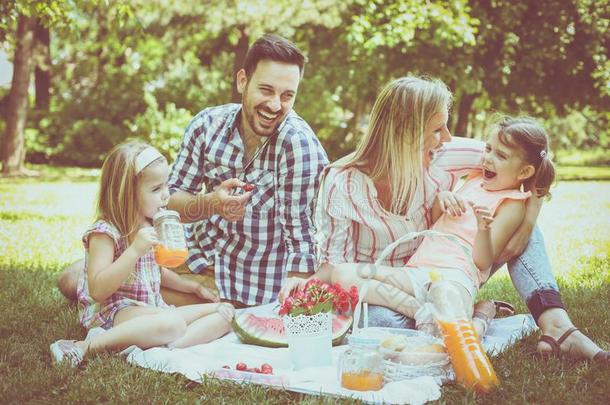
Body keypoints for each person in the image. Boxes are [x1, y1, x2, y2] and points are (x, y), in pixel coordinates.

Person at [283, 76, 608, 363]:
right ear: (405, 133)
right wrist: (310, 283)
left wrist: (526, 221)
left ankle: (556, 324)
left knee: (518, 218)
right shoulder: (343, 182)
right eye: (437, 129)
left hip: (457, 266)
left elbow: (530, 160)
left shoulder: (446, 153)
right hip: (390, 283)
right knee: (379, 321)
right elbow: (336, 265)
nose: (448, 137)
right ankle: (474, 314)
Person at [57, 34, 329, 308]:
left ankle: (182, 302)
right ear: (242, 81)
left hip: (253, 283)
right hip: (195, 256)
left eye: (287, 96)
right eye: (266, 90)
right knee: (70, 279)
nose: (275, 105)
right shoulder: (207, 125)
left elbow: (302, 242)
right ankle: (156, 296)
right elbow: (169, 203)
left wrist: (292, 299)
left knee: (132, 296)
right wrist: (212, 204)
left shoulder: (299, 145)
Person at [50, 142, 235, 367]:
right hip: (117, 312)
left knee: (225, 312)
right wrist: (134, 250)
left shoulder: (150, 223)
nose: (166, 195)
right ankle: (80, 347)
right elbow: (98, 290)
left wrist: (192, 287)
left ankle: (162, 346)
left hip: (153, 309)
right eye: (156, 189)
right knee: (172, 324)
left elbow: (155, 271)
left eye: (166, 185)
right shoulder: (105, 232)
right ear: (126, 194)